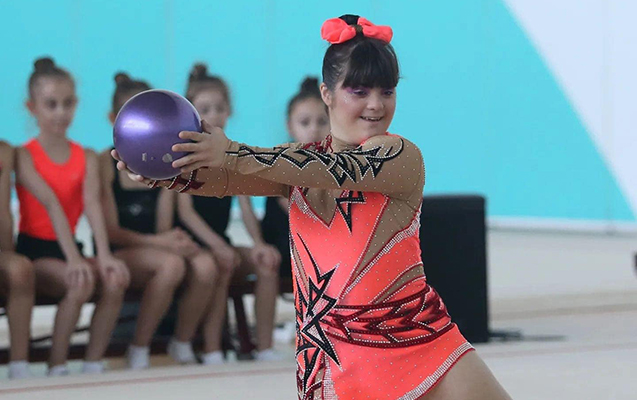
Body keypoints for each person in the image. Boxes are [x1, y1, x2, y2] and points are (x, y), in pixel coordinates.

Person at [116, 15, 512, 400]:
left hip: (420, 344)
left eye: (387, 91)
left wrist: (231, 151)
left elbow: (337, 169)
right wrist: (167, 175)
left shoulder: (400, 156)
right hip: (333, 363)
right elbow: (227, 180)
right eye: (359, 91)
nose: (376, 105)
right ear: (327, 94)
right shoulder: (297, 164)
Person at [16, 57, 129, 376]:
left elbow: (92, 206)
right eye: (51, 105)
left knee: (114, 277)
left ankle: (93, 360)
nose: (60, 113)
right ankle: (57, 364)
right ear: (32, 107)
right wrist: (74, 260)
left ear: (76, 104)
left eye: (67, 104)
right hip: (36, 251)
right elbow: (51, 205)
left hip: (69, 250)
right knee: (80, 281)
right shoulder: (25, 155)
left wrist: (103, 255)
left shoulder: (86, 157)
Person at [100, 72, 220, 369]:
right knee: (171, 264)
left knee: (205, 265)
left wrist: (171, 241)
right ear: (115, 120)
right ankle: (139, 346)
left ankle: (182, 341)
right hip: (123, 251)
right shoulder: (104, 163)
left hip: (159, 247)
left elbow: (165, 225)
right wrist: (162, 243)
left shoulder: (165, 161)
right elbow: (111, 232)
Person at [176, 63, 281, 361]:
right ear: (192, 115)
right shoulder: (184, 159)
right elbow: (187, 214)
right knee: (222, 261)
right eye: (205, 109)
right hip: (194, 245)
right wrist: (217, 245)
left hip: (221, 243)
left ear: (229, 111)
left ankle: (265, 346)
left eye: (219, 108)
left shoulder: (232, 157)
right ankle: (212, 347)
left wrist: (258, 243)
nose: (214, 115)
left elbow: (246, 208)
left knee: (267, 262)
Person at [258, 76, 330, 282]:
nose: (314, 129)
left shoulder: (336, 166)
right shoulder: (283, 164)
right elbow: (303, 212)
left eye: (322, 122)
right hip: (284, 246)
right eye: (305, 123)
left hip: (322, 245)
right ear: (290, 126)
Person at [0, 141, 35, 379]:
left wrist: (8, 255)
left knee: (20, 268)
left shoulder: (3, 151)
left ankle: (19, 365)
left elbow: (4, 212)